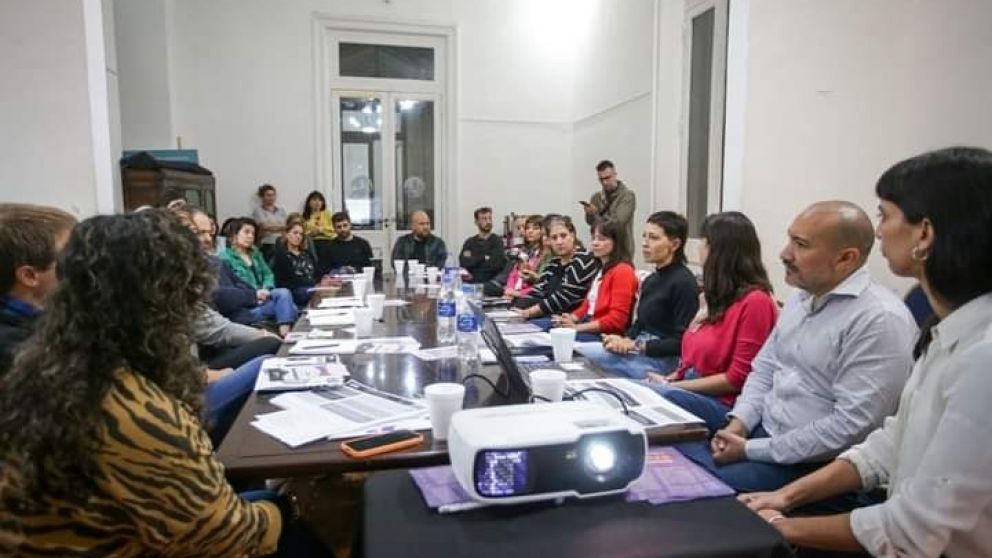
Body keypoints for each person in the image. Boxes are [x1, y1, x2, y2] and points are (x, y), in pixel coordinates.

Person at [739, 147, 992, 557]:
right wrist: (784, 497)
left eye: (885, 216)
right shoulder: (947, 331)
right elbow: (890, 444)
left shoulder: (982, 357)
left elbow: (916, 530)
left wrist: (785, 527)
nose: (878, 232)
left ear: (924, 234)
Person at [0, 210, 285, 555]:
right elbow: (227, 536)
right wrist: (292, 505)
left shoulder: (55, 362)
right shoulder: (123, 404)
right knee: (292, 513)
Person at [676, 201, 917, 494]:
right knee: (657, 416)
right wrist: (739, 422)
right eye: (790, 238)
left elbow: (850, 428)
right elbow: (763, 369)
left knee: (690, 483)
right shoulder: (801, 296)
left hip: (813, 464)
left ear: (846, 258)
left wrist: (752, 449)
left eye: (800, 245)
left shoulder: (878, 320)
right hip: (761, 430)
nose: (784, 253)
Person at [649, 212, 778, 433]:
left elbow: (736, 379)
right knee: (636, 391)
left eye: (704, 244)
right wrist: (671, 378)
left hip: (724, 405)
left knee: (653, 396)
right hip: (691, 386)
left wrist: (672, 386)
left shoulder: (756, 302)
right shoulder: (715, 298)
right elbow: (690, 358)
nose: (699, 251)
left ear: (719, 252)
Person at [580, 211, 700, 376]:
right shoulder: (652, 279)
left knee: (591, 369)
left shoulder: (684, 282)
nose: (645, 243)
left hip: (662, 360)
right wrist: (624, 340)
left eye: (654, 238)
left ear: (675, 244)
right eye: (644, 236)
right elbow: (640, 324)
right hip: (639, 350)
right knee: (577, 354)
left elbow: (682, 341)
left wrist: (637, 345)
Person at [0, 203, 77, 374]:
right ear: (29, 276)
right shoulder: (20, 352)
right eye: (71, 254)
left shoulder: (52, 322)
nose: (82, 260)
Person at [551, 219, 639, 340]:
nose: (595, 243)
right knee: (548, 331)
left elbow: (616, 321)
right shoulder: (601, 269)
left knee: (555, 341)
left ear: (616, 242)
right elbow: (587, 307)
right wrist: (570, 318)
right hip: (588, 325)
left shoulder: (623, 271)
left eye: (602, 239)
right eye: (593, 238)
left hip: (604, 335)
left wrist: (577, 328)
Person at [218, 217, 296, 336]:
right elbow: (233, 286)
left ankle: (284, 332)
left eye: (253, 234)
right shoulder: (225, 258)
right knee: (291, 308)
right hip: (247, 304)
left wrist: (266, 288)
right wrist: (255, 294)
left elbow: (268, 274)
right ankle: (285, 333)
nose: (250, 236)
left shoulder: (255, 254)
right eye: (246, 232)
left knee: (283, 293)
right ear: (234, 234)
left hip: (264, 296)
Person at [514, 215, 600, 319]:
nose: (559, 242)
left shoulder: (584, 259)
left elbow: (563, 298)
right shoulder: (554, 262)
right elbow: (538, 291)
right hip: (549, 314)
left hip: (568, 318)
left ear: (572, 235)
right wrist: (516, 309)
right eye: (554, 238)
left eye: (563, 236)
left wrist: (528, 312)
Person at [584, 160, 636, 259]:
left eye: (608, 178)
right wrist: (589, 214)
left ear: (615, 175)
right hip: (601, 248)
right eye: (601, 179)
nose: (605, 182)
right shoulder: (596, 197)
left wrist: (596, 214)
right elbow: (591, 224)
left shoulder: (627, 196)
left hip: (621, 248)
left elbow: (619, 222)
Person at [494, 214, 549, 299]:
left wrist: (517, 293)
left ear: (543, 231)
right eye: (527, 228)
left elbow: (543, 285)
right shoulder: (525, 251)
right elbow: (514, 274)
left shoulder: (544, 254)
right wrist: (509, 290)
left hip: (529, 295)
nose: (530, 231)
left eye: (535, 228)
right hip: (515, 292)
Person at [271, 221, 324, 306]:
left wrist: (321, 282)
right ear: (287, 235)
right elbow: (291, 280)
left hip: (312, 287)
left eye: (301, 234)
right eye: (295, 233)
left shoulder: (307, 254)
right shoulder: (281, 255)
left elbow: (318, 273)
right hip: (293, 291)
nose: (298, 236)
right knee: (317, 292)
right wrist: (315, 285)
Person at [459, 206, 507, 284]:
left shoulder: (497, 241)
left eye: (490, 218)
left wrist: (474, 260)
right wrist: (484, 257)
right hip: (471, 283)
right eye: (484, 219)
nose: (488, 222)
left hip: (491, 283)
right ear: (476, 222)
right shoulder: (470, 242)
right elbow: (464, 262)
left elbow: (495, 265)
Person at [301, 190, 336, 277]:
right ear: (309, 202)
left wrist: (321, 230)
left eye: (319, 200)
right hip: (312, 243)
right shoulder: (305, 216)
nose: (317, 202)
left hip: (327, 242)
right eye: (314, 200)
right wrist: (311, 233)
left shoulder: (327, 214)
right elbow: (302, 231)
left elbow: (333, 229)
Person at [252, 183, 287, 261]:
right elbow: (264, 226)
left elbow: (286, 226)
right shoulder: (258, 211)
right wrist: (280, 227)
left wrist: (270, 227)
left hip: (282, 243)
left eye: (273, 195)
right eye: (268, 195)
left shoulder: (281, 211)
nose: (271, 197)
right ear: (262, 197)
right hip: (266, 243)